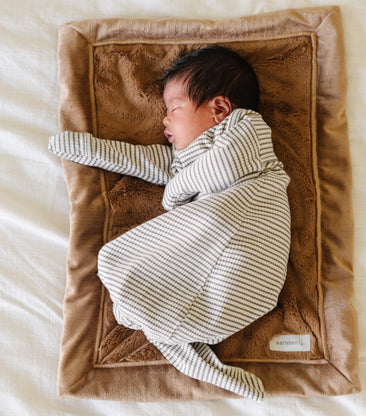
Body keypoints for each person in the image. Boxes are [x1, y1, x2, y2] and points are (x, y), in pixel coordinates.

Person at [49, 46, 291, 402]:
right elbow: (140, 160)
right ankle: (200, 362)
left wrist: (177, 191)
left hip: (247, 230)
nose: (165, 120)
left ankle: (175, 332)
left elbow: (219, 172)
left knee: (136, 251)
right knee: (160, 304)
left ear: (219, 109)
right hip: (229, 287)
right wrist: (84, 147)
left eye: (174, 109)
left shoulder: (246, 130)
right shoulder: (185, 162)